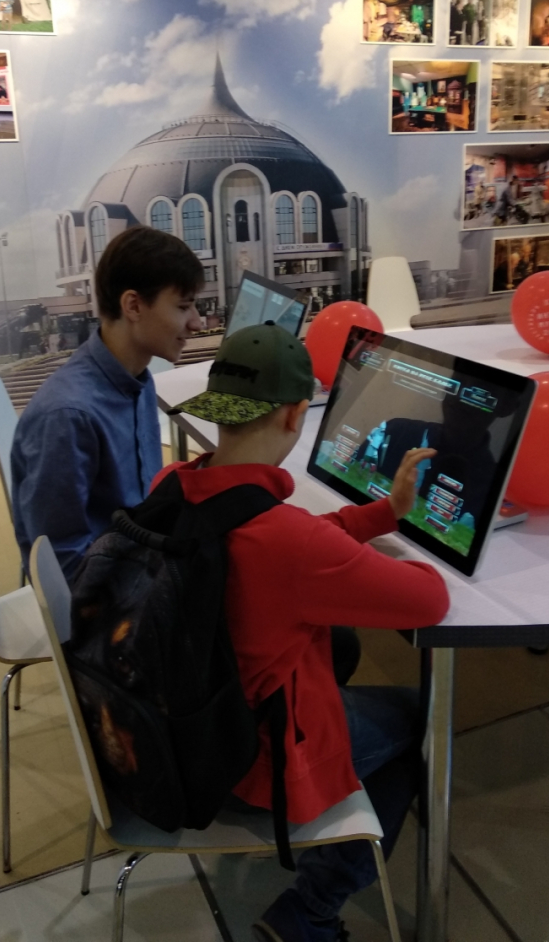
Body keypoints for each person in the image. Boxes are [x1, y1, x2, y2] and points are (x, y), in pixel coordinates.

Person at [158, 323, 449, 942]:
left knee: (340, 648)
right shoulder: (289, 541)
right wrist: (429, 547)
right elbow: (430, 599)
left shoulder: (172, 486)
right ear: (295, 414)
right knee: (422, 719)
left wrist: (381, 515)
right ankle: (310, 913)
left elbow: (295, 542)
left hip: (178, 733)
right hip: (250, 763)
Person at [11, 226, 205, 580]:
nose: (197, 322)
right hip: (104, 591)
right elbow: (63, 568)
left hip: (134, 555)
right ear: (133, 305)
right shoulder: (68, 416)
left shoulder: (138, 380)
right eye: (183, 306)